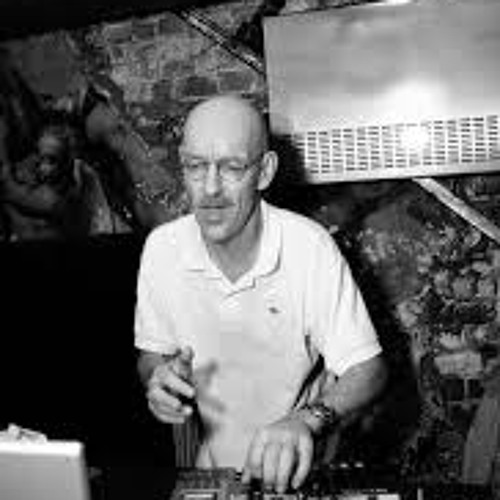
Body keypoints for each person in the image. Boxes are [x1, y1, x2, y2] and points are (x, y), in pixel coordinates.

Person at [134, 94, 387, 492]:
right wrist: (159, 378)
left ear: (265, 171)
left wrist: (306, 420)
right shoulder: (162, 249)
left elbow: (368, 370)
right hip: (211, 473)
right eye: (195, 167)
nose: (210, 189)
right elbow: (152, 355)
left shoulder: (309, 247)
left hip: (298, 475)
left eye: (232, 167)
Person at [0, 109, 125, 240]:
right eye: (38, 153)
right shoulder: (30, 169)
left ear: (66, 164)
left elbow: (13, 191)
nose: (42, 166)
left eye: (51, 160)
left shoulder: (66, 197)